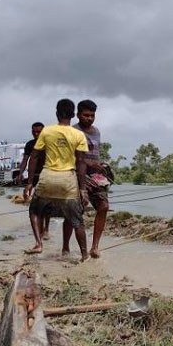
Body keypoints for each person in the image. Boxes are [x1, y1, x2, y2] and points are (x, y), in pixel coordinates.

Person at [23, 99, 90, 261]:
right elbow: (81, 163)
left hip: (47, 177)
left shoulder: (47, 132)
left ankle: (39, 244)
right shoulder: (79, 134)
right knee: (77, 221)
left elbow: (34, 157)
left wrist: (29, 183)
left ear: (56, 113)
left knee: (34, 211)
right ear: (73, 115)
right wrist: (83, 189)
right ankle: (84, 255)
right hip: (68, 179)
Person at [73, 99, 111, 259]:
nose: (89, 118)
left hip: (96, 176)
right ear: (78, 114)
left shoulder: (96, 132)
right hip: (77, 174)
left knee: (103, 206)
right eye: (86, 115)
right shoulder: (73, 131)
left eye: (92, 115)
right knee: (74, 212)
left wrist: (99, 164)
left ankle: (95, 247)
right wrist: (88, 163)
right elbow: (70, 156)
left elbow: (95, 153)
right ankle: (66, 248)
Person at [17, 122, 50, 239]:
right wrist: (20, 173)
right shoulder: (30, 144)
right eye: (34, 132)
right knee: (32, 201)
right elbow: (25, 160)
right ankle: (38, 229)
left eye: (38, 132)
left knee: (46, 204)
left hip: (46, 175)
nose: (36, 134)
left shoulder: (48, 143)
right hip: (33, 175)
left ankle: (46, 229)